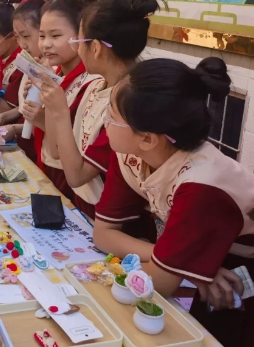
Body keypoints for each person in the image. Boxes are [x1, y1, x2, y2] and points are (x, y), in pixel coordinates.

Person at [94, 57, 254, 347]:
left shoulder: (202, 185)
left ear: (147, 139)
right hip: (201, 259)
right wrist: (183, 260)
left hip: (240, 275)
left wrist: (174, 265)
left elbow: (161, 283)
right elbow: (103, 234)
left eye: (112, 116)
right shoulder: (132, 154)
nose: (104, 121)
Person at [32, 0, 158, 218]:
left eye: (79, 42)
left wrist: (59, 110)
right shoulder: (95, 86)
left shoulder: (126, 105)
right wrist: (52, 102)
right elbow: (55, 150)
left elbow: (77, 175)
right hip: (82, 204)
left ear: (97, 48)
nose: (78, 50)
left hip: (107, 216)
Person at [19, 0, 100, 216]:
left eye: (56, 36)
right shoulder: (57, 76)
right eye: (42, 36)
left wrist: (42, 118)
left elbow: (67, 139)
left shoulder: (90, 82)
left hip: (71, 179)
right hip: (50, 169)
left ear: (81, 37)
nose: (45, 44)